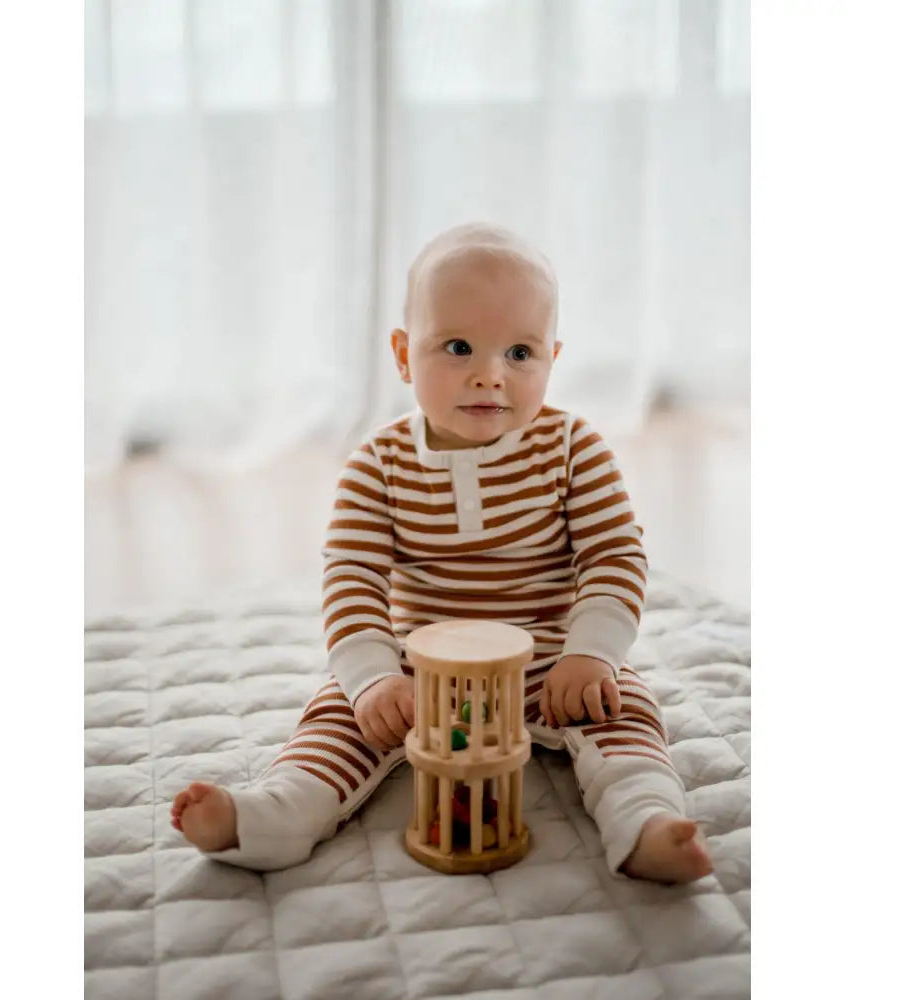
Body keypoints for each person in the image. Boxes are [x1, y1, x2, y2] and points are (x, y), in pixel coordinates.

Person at [171, 222, 713, 884]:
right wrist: (373, 678)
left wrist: (591, 652)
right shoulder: (379, 463)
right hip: (419, 664)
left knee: (624, 711)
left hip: (549, 654)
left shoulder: (575, 448)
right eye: (458, 348)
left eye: (520, 353)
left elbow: (614, 555)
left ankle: (648, 821)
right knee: (338, 719)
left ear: (552, 357)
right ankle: (270, 816)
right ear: (403, 355)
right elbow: (353, 576)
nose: (490, 376)